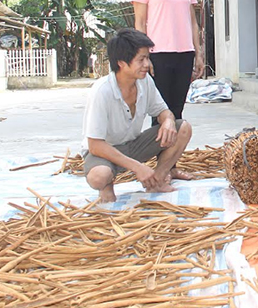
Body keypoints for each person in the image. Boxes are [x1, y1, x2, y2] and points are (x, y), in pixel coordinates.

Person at [82, 28, 193, 203]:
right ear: (122, 63)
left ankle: (157, 180)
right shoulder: (102, 91)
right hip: (105, 152)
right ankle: (107, 186)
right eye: (141, 60)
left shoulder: (145, 81)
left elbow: (163, 111)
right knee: (99, 176)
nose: (147, 65)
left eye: (147, 58)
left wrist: (169, 121)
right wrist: (138, 168)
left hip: (133, 145)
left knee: (183, 128)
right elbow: (95, 145)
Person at [132, 0, 203, 121]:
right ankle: (158, 150)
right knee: (160, 113)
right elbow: (139, 22)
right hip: (158, 55)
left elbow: (193, 22)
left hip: (185, 54)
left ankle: (174, 151)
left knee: (177, 111)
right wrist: (144, 56)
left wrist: (198, 52)